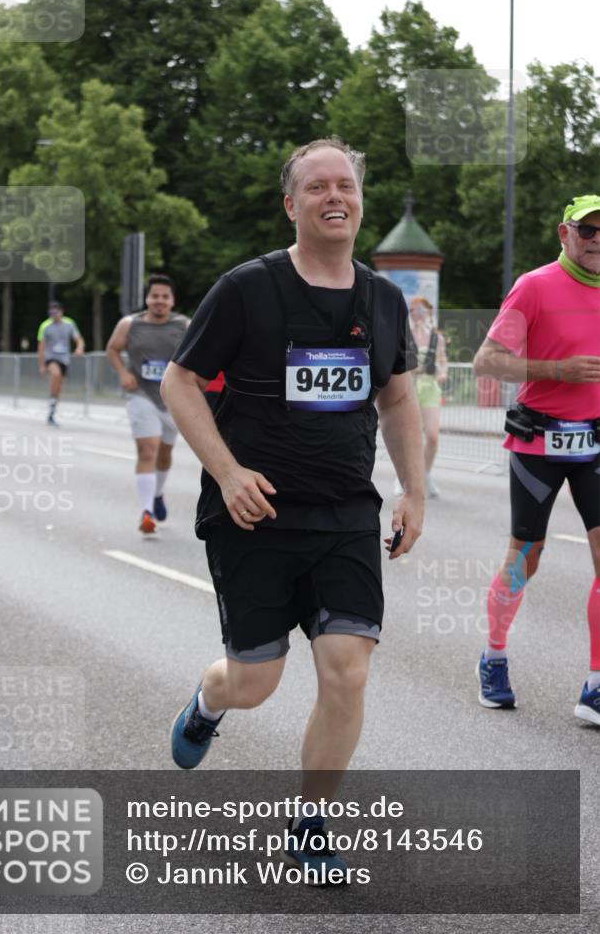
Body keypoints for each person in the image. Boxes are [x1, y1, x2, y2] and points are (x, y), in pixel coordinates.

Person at [161, 138, 425, 880]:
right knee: (255, 682)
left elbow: (397, 396)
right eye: (316, 187)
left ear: (359, 199)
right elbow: (182, 382)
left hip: (343, 511)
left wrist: (413, 490)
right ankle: (209, 702)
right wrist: (227, 469)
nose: (333, 196)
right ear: (291, 203)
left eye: (345, 184)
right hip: (254, 513)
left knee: (346, 671)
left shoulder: (381, 298)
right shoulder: (248, 287)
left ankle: (310, 825)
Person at [473, 195, 600, 725]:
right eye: (587, 231)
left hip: (595, 443)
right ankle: (494, 656)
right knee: (526, 558)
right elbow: (488, 361)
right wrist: (559, 370)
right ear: (563, 233)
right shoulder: (535, 285)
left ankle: (595, 684)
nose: (597, 241)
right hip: (538, 444)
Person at [106, 274, 188, 533]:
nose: (159, 301)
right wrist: (123, 373)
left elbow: (200, 356)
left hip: (173, 398)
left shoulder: (185, 325)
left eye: (165, 297)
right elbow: (112, 349)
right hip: (141, 394)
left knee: (164, 454)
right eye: (154, 296)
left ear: (172, 300)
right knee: (147, 450)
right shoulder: (130, 324)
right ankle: (146, 512)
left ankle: (157, 493)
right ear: (147, 298)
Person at [394, 296, 448, 498]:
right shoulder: (405, 336)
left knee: (432, 436)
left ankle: (425, 474)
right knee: (409, 436)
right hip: (410, 388)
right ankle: (404, 478)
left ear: (429, 312)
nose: (417, 314)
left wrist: (443, 373)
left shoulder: (436, 337)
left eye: (421, 310)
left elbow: (442, 361)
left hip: (430, 388)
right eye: (413, 310)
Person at [36, 301, 84, 425]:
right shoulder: (45, 326)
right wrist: (41, 365)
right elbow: (41, 347)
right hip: (51, 357)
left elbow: (79, 339)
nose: (53, 315)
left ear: (61, 312)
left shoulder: (69, 324)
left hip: (64, 359)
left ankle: (52, 410)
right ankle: (52, 400)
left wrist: (79, 348)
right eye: (51, 313)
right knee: (55, 374)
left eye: (55, 312)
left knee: (58, 388)